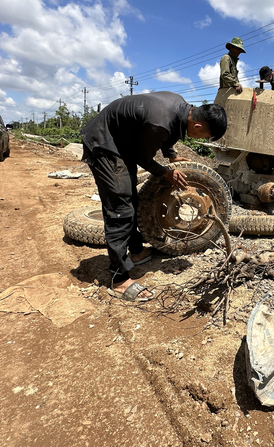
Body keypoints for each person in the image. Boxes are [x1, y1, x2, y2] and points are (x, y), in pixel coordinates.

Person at [81, 92, 227, 302]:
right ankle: (119, 279)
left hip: (122, 142)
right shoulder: (162, 121)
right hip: (104, 143)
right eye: (204, 136)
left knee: (130, 197)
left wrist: (171, 154)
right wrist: (165, 173)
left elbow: (169, 133)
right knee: (120, 208)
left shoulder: (180, 107)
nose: (201, 139)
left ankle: (136, 251)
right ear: (198, 126)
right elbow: (144, 157)